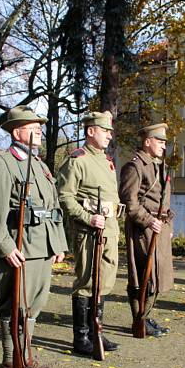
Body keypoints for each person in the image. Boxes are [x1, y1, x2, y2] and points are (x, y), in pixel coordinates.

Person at [0, 105, 67, 368]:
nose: (39, 129)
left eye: (39, 126)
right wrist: (5, 247)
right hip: (20, 247)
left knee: (34, 304)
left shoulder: (39, 165)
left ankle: (26, 355)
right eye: (33, 126)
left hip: (42, 246)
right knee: (13, 304)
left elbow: (53, 207)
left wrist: (58, 244)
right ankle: (10, 359)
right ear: (18, 132)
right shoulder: (4, 163)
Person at [57, 111, 121, 355]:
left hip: (109, 231)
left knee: (103, 282)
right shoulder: (77, 160)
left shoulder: (106, 161)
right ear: (90, 131)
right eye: (105, 131)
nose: (109, 135)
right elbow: (64, 196)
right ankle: (82, 337)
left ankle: (97, 333)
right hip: (88, 232)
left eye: (110, 131)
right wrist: (87, 217)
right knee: (86, 282)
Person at [119, 122, 173, 337]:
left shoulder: (159, 166)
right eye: (159, 141)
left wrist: (168, 226)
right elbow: (129, 202)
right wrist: (148, 220)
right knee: (142, 275)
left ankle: (147, 315)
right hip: (143, 228)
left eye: (164, 142)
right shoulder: (135, 166)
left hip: (160, 226)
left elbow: (166, 201)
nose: (163, 146)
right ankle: (138, 319)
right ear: (147, 141)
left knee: (157, 275)